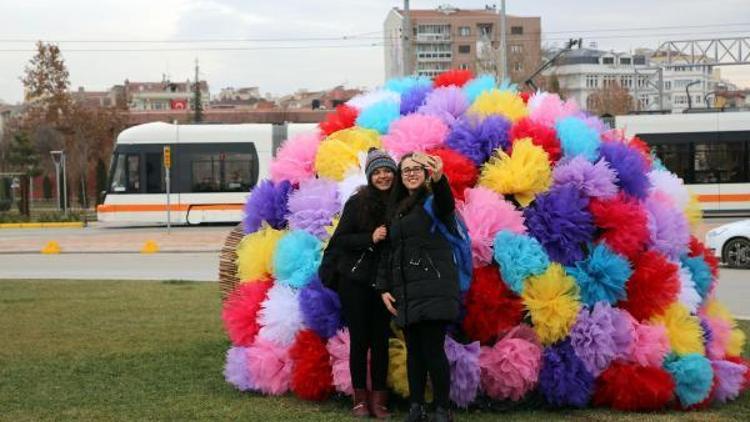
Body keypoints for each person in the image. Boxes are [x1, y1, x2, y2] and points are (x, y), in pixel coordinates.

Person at [377, 152, 460, 422]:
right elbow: (390, 252)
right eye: (406, 170)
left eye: (416, 169)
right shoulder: (398, 208)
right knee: (414, 352)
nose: (411, 174)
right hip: (407, 289)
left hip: (434, 286)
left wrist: (439, 179)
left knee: (433, 349)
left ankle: (441, 408)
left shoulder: (432, 202)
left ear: (425, 174)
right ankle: (416, 407)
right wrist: (384, 286)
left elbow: (446, 205)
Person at [327, 148, 397, 418]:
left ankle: (379, 400)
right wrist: (371, 237)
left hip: (385, 284)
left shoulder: (400, 203)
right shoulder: (357, 203)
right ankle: (359, 399)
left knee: (381, 340)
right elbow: (340, 241)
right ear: (370, 176)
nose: (383, 176)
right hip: (355, 281)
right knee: (360, 340)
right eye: (377, 172)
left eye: (387, 171)